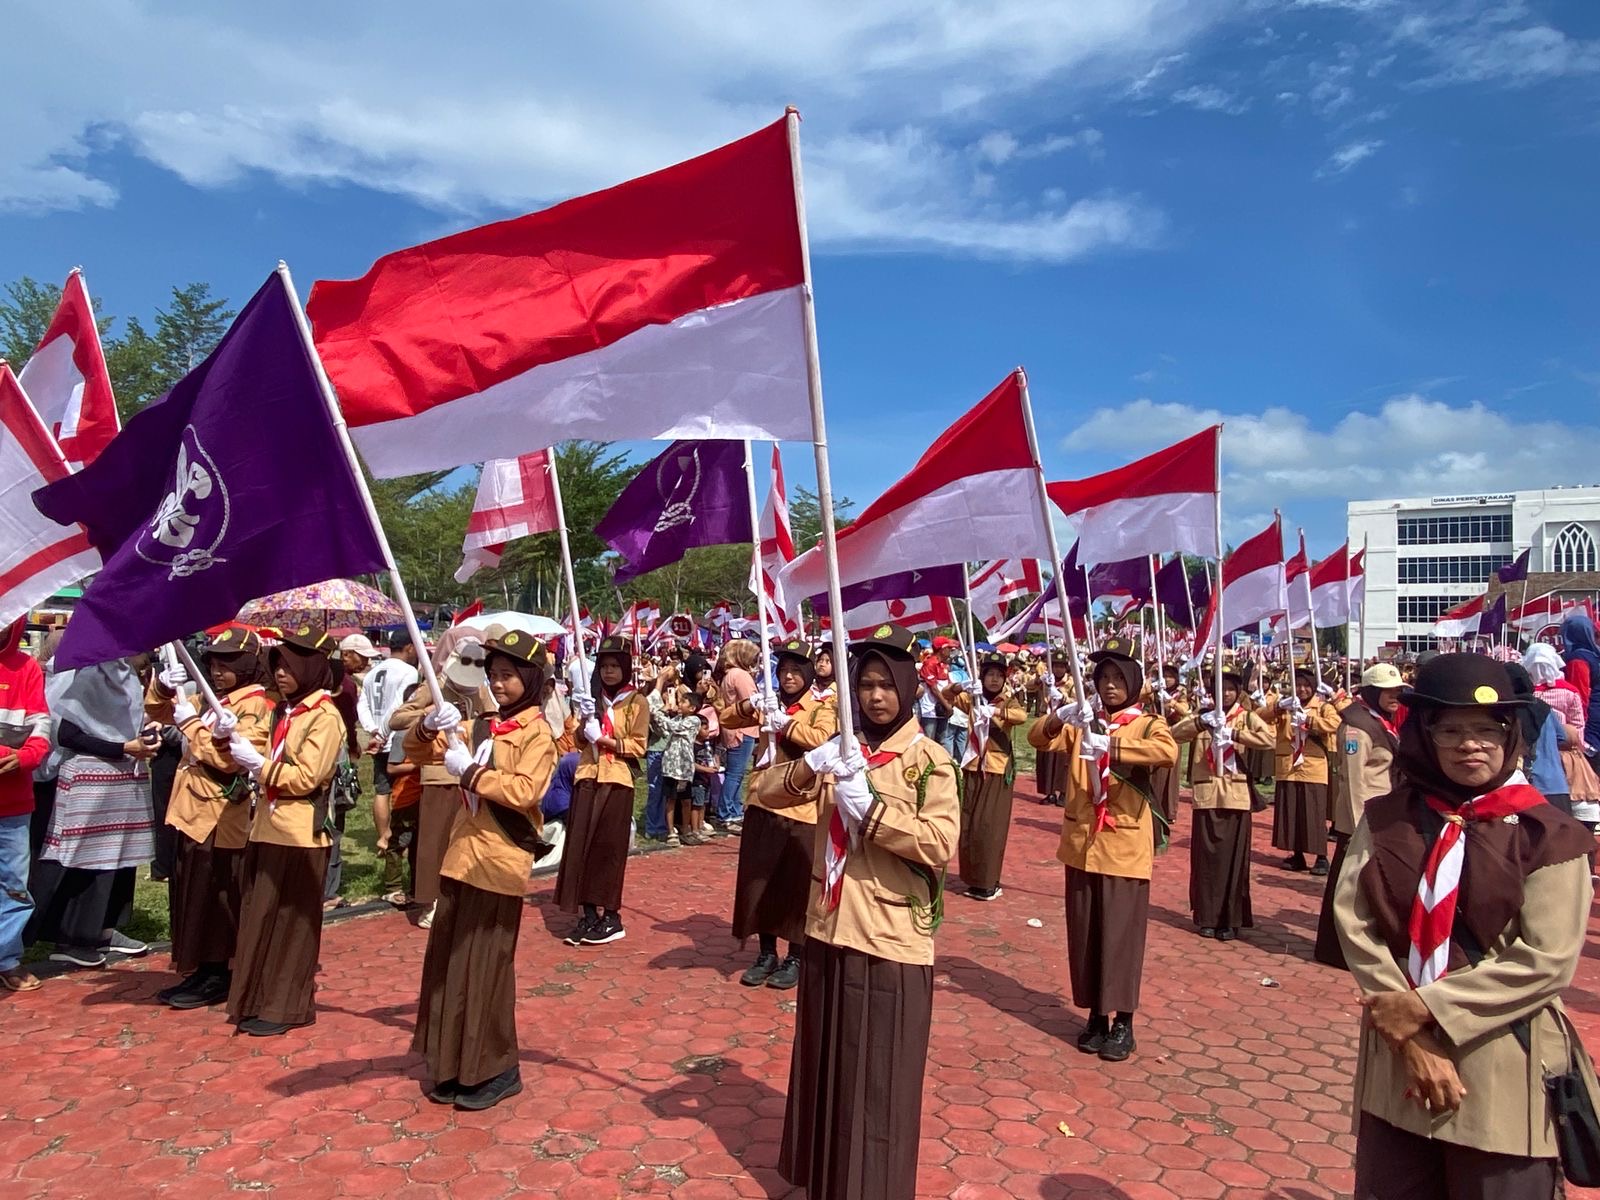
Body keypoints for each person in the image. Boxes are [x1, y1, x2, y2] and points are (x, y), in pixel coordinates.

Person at [1333, 654, 1596, 1198]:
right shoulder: (1388, 819)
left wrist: (1426, 1009)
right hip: (1396, 1069)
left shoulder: (1548, 834)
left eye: (1485, 729)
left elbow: (1545, 959)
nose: (1468, 744)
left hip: (1501, 1065)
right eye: (1449, 729)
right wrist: (1409, 1034)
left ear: (1511, 735)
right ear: (1425, 737)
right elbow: (1355, 921)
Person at [756, 623, 958, 1200]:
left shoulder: (930, 761)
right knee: (830, 1071)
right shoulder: (843, 753)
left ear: (907, 689)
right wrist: (809, 764)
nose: (874, 697)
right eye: (865, 684)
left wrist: (872, 812)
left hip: (890, 939)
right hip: (829, 927)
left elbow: (940, 843)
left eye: (886, 685)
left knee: (879, 1085)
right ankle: (827, 1180)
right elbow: (761, 792)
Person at [409, 630, 555, 1111]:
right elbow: (415, 754)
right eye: (494, 675)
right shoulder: (481, 728)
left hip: (498, 863)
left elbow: (524, 792)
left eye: (509, 676)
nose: (499, 683)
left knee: (487, 968)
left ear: (530, 679)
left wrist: (470, 772)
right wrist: (430, 726)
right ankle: (453, 1062)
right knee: (452, 965)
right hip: (460, 859)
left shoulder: (538, 735)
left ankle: (495, 1066)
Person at [1028, 638, 1178, 1062]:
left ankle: (1123, 1022)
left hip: (1124, 845)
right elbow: (1038, 739)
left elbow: (1166, 752)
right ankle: (1095, 1014)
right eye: (1102, 678)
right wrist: (1060, 715)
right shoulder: (1083, 722)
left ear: (1133, 682)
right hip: (1081, 844)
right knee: (1088, 932)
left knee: (1121, 937)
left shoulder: (1146, 724)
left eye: (1117, 678)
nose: (1109, 686)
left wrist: (1112, 747)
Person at [223, 629, 344, 1036]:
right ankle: (256, 996)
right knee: (261, 918)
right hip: (267, 828)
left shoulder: (325, 717)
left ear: (312, 668)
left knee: (293, 927)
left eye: (290, 667)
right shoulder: (285, 711)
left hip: (299, 835)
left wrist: (259, 766)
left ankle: (286, 1005)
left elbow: (307, 776)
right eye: (277, 666)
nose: (281, 675)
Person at [146, 629, 274, 1008]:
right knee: (192, 893)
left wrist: (190, 725)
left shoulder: (256, 706)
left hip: (222, 818)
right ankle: (201, 967)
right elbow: (157, 712)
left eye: (229, 663)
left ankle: (219, 971)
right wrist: (163, 689)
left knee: (217, 893)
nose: (218, 671)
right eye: (215, 663)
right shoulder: (211, 697)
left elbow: (228, 759)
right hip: (193, 813)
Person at [28, 656, 157, 968]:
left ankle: (103, 928)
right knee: (84, 860)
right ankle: (74, 936)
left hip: (120, 781)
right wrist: (122, 748)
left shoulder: (122, 673)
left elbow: (129, 721)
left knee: (116, 859)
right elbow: (68, 734)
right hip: (88, 780)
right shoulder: (86, 674)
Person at [725, 639, 838, 990]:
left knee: (795, 885)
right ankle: (766, 952)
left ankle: (796, 955)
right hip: (762, 800)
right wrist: (752, 702)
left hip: (801, 806)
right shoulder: (769, 703)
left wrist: (786, 724)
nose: (789, 677)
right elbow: (727, 716)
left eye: (795, 671)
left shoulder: (823, 705)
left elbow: (821, 738)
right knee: (760, 881)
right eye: (783, 670)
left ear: (806, 674)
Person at [390, 638, 494, 929]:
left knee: (465, 841)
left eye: (478, 662)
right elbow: (397, 718)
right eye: (466, 660)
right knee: (434, 842)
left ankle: (461, 897)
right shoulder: (435, 686)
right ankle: (430, 901)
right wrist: (430, 717)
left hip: (470, 773)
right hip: (437, 772)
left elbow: (491, 716)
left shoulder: (480, 689)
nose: (471, 668)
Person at [556, 636, 649, 946]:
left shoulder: (635, 701)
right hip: (587, 776)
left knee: (608, 849)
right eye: (604, 666)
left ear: (624, 668)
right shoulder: (592, 700)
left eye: (614, 666)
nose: (609, 672)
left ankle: (610, 915)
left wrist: (605, 739)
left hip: (617, 779)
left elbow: (638, 746)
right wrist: (584, 726)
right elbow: (579, 742)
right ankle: (588, 914)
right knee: (581, 844)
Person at [1171, 670, 1274, 941]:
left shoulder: (1247, 716)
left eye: (1230, 688)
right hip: (1207, 795)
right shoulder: (1203, 715)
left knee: (1233, 861)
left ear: (1237, 691)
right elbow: (1175, 734)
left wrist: (1235, 734)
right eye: (1220, 688)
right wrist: (1201, 723)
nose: (1225, 694)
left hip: (1236, 796)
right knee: (1207, 861)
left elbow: (1268, 739)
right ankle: (1206, 916)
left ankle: (1231, 918)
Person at [1313, 663, 1403, 969]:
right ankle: (1336, 948)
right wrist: (1354, 827)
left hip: (1381, 816)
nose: (1395, 696)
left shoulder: (1379, 720)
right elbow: (1352, 780)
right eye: (1388, 691)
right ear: (1372, 692)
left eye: (1397, 690)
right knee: (1348, 886)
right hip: (1362, 819)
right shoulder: (1356, 725)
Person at [943, 651, 1026, 901]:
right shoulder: (973, 698)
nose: (993, 680)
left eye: (998, 675)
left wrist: (997, 713)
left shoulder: (1007, 700)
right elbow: (946, 695)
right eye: (989, 674)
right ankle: (972, 877)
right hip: (972, 765)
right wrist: (962, 685)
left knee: (989, 826)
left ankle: (989, 881)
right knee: (968, 824)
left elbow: (1021, 717)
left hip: (996, 769)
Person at [0, 618, 50, 992]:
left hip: (15, 801)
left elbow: (41, 726)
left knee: (15, 883)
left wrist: (27, 757)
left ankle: (7, 958)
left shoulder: (27, 667)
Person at [1258, 667, 1343, 874]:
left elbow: (1336, 723)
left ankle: (1321, 856)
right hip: (1288, 766)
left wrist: (1310, 721)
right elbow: (1260, 716)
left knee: (1314, 812)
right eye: (1299, 686)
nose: (1303, 690)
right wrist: (1279, 706)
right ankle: (1296, 853)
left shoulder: (1322, 707)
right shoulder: (1286, 707)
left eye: (1307, 686)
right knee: (1291, 812)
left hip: (1312, 766)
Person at [1526, 643, 1600, 854]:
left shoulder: (1530, 699)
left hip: (1542, 761)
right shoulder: (1570, 691)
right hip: (1569, 758)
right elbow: (1578, 726)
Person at [356, 631, 418, 878]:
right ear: (410, 648)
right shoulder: (408, 672)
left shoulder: (373, 672)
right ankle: (395, 839)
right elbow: (403, 706)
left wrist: (372, 729)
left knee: (381, 789)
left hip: (377, 737)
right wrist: (384, 731)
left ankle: (383, 836)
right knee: (401, 789)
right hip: (396, 735)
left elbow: (363, 704)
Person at [712, 639, 760, 834]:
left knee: (736, 772)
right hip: (743, 729)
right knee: (735, 773)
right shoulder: (740, 675)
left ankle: (733, 808)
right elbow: (752, 701)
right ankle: (726, 813)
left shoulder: (728, 674)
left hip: (733, 729)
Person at [649, 676, 701, 846]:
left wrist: (660, 715)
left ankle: (686, 829)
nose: (680, 704)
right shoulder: (676, 719)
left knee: (685, 800)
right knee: (670, 798)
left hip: (684, 767)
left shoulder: (694, 721)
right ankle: (671, 831)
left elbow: (675, 728)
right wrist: (661, 713)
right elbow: (665, 728)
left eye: (683, 702)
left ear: (692, 708)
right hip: (671, 766)